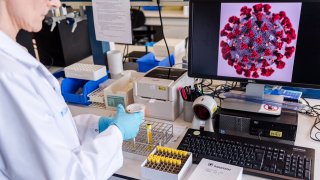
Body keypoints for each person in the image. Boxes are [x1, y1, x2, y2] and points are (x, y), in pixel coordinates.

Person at [0, 0, 143, 179]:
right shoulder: (9, 75)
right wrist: (117, 132)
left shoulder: (14, 59)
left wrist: (95, 126)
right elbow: (67, 175)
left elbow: (48, 131)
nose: (55, 3)